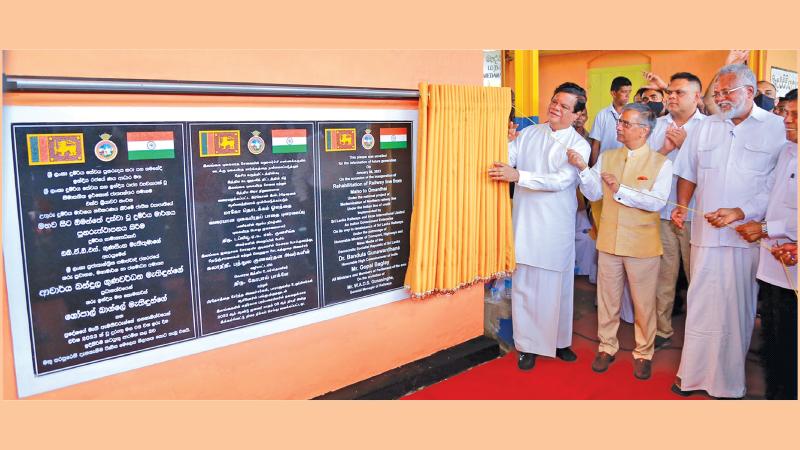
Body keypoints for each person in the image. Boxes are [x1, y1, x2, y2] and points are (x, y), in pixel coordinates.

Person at [671, 64, 786, 399]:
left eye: (726, 92)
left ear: (749, 92)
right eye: (716, 93)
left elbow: (778, 186)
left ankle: (728, 384)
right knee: (701, 304)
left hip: (744, 238)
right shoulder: (706, 128)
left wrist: (741, 212)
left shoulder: (777, 129)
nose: (719, 99)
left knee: (736, 311)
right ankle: (691, 376)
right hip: (705, 237)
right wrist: (681, 205)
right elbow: (689, 172)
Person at [489, 82, 591, 371]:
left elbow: (560, 181)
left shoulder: (579, 145)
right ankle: (527, 346)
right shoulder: (530, 133)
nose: (555, 108)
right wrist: (507, 141)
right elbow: (506, 162)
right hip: (526, 222)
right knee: (526, 288)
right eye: (554, 101)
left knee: (558, 288)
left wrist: (519, 175)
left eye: (564, 106)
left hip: (555, 227)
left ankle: (560, 342)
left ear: (577, 115)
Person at [568, 103, 672, 380]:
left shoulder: (661, 163)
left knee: (643, 304)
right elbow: (593, 193)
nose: (619, 127)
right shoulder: (609, 156)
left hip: (642, 245)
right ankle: (606, 346)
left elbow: (656, 202)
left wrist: (620, 189)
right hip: (610, 241)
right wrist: (582, 169)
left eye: (626, 123)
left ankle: (643, 352)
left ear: (644, 130)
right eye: (620, 122)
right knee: (607, 299)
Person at [734, 88, 797, 399]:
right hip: (773, 263)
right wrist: (747, 217)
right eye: (785, 113)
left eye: (795, 115)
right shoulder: (787, 151)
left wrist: (766, 228)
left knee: (791, 344)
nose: (787, 120)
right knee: (774, 340)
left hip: (793, 265)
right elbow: (770, 194)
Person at [646, 72, 706, 350]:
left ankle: (700, 334)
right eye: (669, 91)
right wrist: (666, 147)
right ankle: (662, 329)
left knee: (698, 277)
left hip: (697, 215)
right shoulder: (656, 125)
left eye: (679, 92)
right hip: (662, 212)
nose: (671, 96)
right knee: (663, 275)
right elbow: (643, 166)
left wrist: (684, 147)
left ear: (697, 97)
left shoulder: (709, 128)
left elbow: (711, 171)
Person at [589, 76, 632, 166]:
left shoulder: (633, 113)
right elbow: (596, 144)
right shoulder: (602, 115)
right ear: (613, 93)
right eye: (624, 92)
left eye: (629, 92)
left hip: (627, 165)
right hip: (604, 165)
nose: (628, 95)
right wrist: (593, 168)